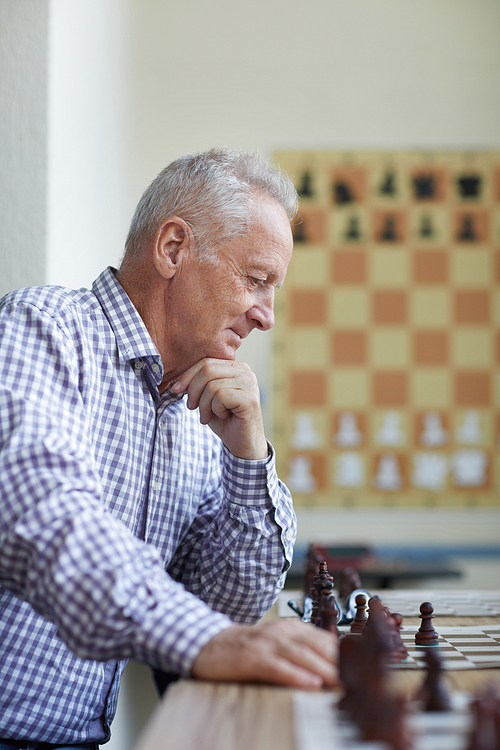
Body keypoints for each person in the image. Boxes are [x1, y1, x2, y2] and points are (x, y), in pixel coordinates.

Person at [0, 148, 338, 748]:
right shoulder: (41, 329)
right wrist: (208, 641)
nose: (268, 317)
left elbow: (228, 601)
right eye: (257, 280)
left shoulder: (197, 407)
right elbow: (45, 517)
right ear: (173, 249)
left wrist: (248, 457)